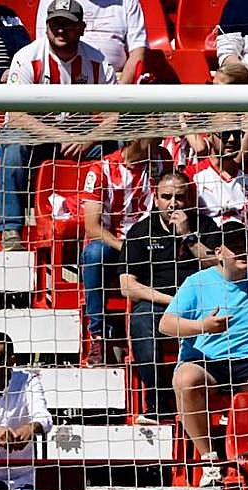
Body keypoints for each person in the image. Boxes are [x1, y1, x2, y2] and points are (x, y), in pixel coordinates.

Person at [161, 222, 248, 487]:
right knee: (185, 380)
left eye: (245, 246)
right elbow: (166, 324)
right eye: (234, 248)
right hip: (206, 360)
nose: (243, 252)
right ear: (219, 252)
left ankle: (247, 452)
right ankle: (209, 458)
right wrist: (203, 327)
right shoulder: (197, 282)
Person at [0, 0, 116, 253]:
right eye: (56, 24)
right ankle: (10, 229)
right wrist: (59, 136)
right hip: (35, 136)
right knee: (14, 146)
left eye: (68, 25)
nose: (61, 30)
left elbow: (115, 116)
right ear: (47, 26)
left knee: (119, 145)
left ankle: (118, 221)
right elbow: (17, 115)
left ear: (82, 28)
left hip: (80, 140)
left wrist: (90, 139)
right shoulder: (28, 58)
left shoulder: (97, 62)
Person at [119, 172, 218, 424]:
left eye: (180, 197)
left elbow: (218, 265)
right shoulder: (141, 231)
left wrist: (188, 235)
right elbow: (127, 287)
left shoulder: (205, 226)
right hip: (160, 302)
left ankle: (222, 397)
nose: (173, 203)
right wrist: (169, 301)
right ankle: (158, 403)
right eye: (166, 197)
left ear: (190, 199)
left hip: (202, 300)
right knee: (141, 319)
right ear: (156, 198)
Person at [79, 136, 170, 364]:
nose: (161, 137)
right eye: (154, 131)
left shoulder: (162, 159)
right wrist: (127, 248)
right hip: (115, 245)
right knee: (93, 254)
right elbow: (92, 226)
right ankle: (98, 335)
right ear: (136, 136)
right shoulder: (100, 169)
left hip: (151, 242)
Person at [189, 129, 248, 244]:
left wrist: (244, 254)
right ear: (209, 136)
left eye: (237, 134)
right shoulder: (192, 176)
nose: (232, 139)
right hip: (209, 251)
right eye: (225, 134)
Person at [35, 0, 145, 83]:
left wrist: (119, 93)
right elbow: (44, 45)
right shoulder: (50, 2)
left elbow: (138, 51)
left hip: (114, 79)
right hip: (62, 76)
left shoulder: (128, 2)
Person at [0, 333, 52, 490]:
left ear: (11, 361)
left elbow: (45, 418)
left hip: (20, 481)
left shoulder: (28, 380)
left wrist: (31, 428)